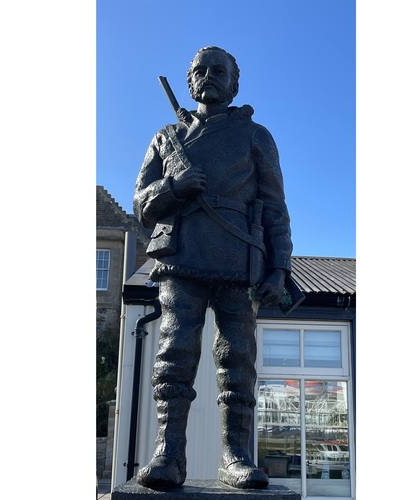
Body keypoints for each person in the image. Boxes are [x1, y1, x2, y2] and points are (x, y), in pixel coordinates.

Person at [133, 46, 293, 490]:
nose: (208, 77)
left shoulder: (255, 136)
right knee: (174, 353)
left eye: (218, 70)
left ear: (234, 82)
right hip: (181, 256)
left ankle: (235, 455)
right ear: (190, 82)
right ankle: (168, 454)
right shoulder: (167, 137)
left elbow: (276, 209)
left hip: (239, 260)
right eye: (199, 71)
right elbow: (141, 205)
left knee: (237, 358)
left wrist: (279, 269)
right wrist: (173, 186)